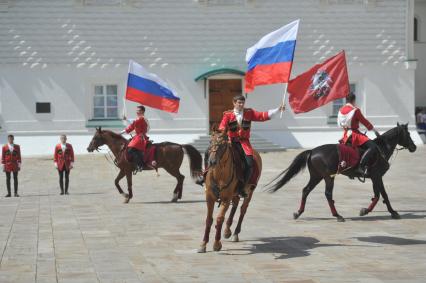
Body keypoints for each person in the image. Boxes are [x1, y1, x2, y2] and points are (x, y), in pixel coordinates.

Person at [198, 95, 284, 197]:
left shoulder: (249, 113)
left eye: (242, 103)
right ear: (234, 103)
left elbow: (262, 116)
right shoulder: (228, 115)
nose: (241, 105)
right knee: (209, 151)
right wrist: (219, 134)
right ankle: (205, 175)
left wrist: (278, 110)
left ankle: (242, 186)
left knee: (249, 162)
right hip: (230, 142)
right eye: (239, 103)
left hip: (244, 143)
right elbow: (222, 126)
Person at [337, 93, 384, 176]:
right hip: (354, 134)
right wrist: (374, 131)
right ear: (354, 100)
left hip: (345, 135)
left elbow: (339, 124)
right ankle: (361, 166)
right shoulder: (355, 110)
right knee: (373, 146)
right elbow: (364, 122)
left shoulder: (340, 110)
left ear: (346, 100)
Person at [121, 105, 149, 171]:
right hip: (138, 136)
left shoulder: (141, 118)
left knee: (130, 149)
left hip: (140, 137)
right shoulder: (141, 119)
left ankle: (140, 165)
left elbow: (132, 126)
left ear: (143, 111)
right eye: (137, 110)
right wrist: (127, 119)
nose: (137, 112)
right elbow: (134, 125)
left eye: (139, 110)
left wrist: (119, 133)